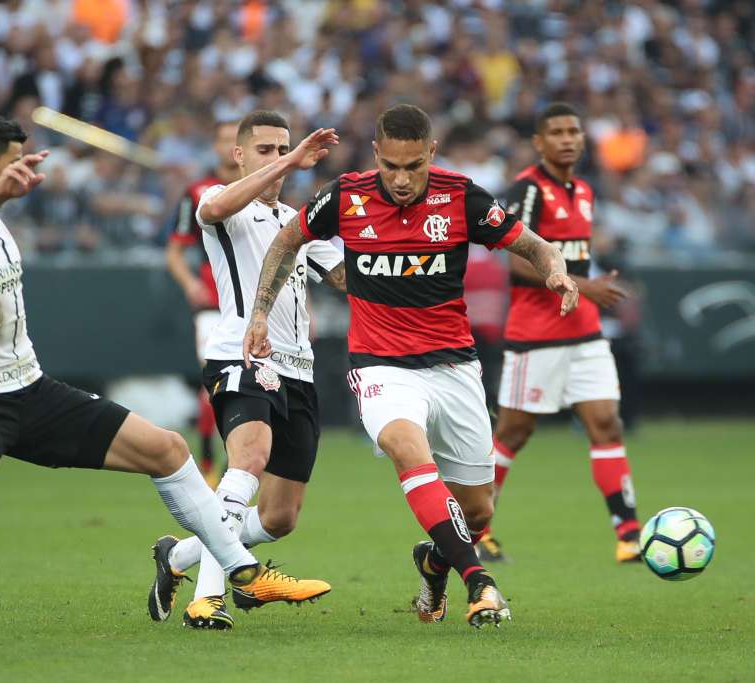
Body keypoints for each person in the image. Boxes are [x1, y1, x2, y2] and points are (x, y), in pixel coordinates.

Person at [0, 110, 326, 650]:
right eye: (12, 163)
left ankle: (242, 573)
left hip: (30, 389)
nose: (21, 172)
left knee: (167, 449)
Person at [243, 104, 580, 628]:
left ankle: (433, 559)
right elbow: (287, 242)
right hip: (381, 366)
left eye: (414, 166)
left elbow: (533, 246)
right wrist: (259, 314)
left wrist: (556, 272)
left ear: (432, 155)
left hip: (455, 367)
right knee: (406, 447)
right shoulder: (346, 196)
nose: (401, 180)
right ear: (376, 154)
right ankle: (480, 583)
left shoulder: (462, 196)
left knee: (478, 512)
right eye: (392, 166)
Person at [149, 110, 342, 630]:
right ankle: (207, 599)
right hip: (243, 353)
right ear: (238, 155)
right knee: (248, 460)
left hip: (299, 371)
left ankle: (177, 558)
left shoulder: (300, 223)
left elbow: (350, 279)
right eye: (266, 151)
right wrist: (299, 158)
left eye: (284, 151)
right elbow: (211, 208)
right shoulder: (220, 200)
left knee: (280, 517)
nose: (279, 160)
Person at [480, 102, 640, 564]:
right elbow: (514, 257)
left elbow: (572, 254)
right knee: (513, 431)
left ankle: (629, 535)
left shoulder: (585, 190)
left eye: (574, 131)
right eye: (557, 132)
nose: (568, 139)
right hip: (536, 334)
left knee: (606, 423)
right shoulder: (526, 190)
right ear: (539, 142)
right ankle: (477, 529)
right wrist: (583, 283)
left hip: (584, 332)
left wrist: (587, 286)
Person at [165, 119, 239, 487]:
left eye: (235, 141)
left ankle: (235, 463)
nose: (230, 148)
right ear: (216, 146)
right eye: (224, 140)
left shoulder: (261, 188)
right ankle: (210, 458)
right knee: (216, 381)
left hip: (251, 306)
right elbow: (175, 251)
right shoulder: (198, 192)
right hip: (213, 303)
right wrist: (189, 282)